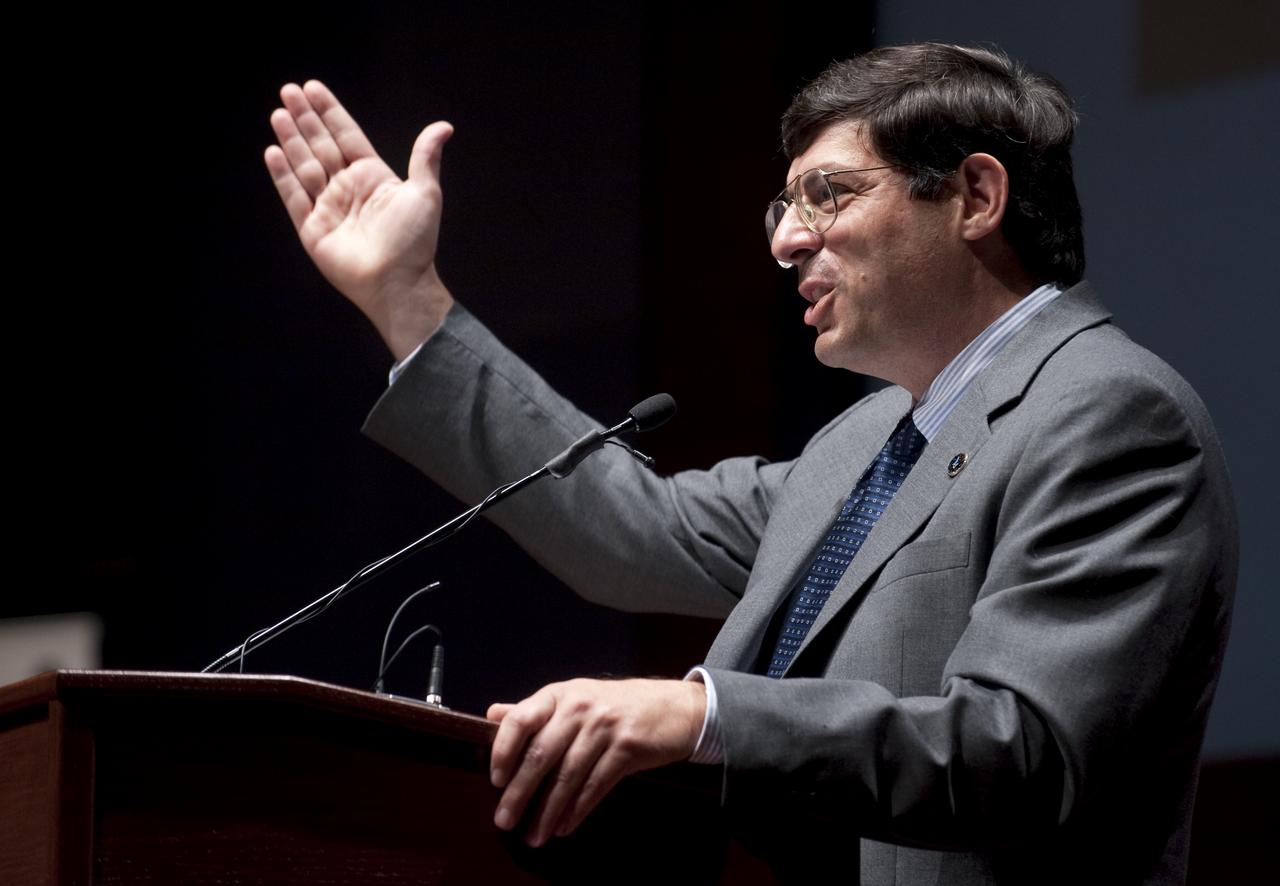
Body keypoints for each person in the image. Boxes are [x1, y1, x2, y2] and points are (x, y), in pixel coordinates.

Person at [264, 43, 1236, 884]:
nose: (784, 238)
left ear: (974, 196)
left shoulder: (1106, 412)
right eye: (785, 201)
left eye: (828, 193)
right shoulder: (861, 445)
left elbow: (1015, 748)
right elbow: (624, 526)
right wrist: (406, 299)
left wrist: (704, 714)